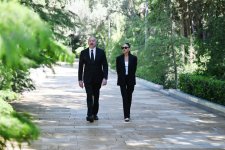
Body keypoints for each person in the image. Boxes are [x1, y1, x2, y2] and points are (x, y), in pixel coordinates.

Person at [78, 36, 108, 123]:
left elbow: (105, 66)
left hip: (98, 79)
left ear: (96, 42)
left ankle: (95, 114)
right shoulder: (83, 53)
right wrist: (80, 79)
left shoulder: (101, 52)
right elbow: (80, 67)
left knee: (96, 96)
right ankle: (89, 114)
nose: (92, 42)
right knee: (89, 95)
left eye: (93, 41)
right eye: (90, 41)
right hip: (87, 79)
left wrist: (105, 78)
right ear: (88, 42)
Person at [116, 43, 137, 122]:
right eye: (122, 47)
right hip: (122, 79)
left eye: (125, 47)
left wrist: (130, 76)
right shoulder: (118, 58)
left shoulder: (134, 58)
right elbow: (118, 70)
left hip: (130, 79)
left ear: (129, 49)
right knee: (124, 97)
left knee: (129, 96)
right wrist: (121, 76)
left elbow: (134, 69)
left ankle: (128, 113)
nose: (124, 49)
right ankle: (126, 115)